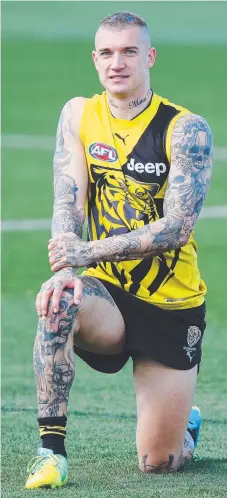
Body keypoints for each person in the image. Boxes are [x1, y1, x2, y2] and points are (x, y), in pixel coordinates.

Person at [25, 11, 212, 489]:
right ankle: (51, 452)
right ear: (95, 60)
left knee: (159, 464)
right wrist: (67, 257)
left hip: (171, 305)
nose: (117, 63)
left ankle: (184, 426)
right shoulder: (79, 114)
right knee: (57, 298)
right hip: (106, 295)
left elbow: (176, 229)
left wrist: (88, 252)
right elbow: (67, 201)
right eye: (107, 53)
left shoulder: (186, 129)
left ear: (148, 57)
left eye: (129, 51)